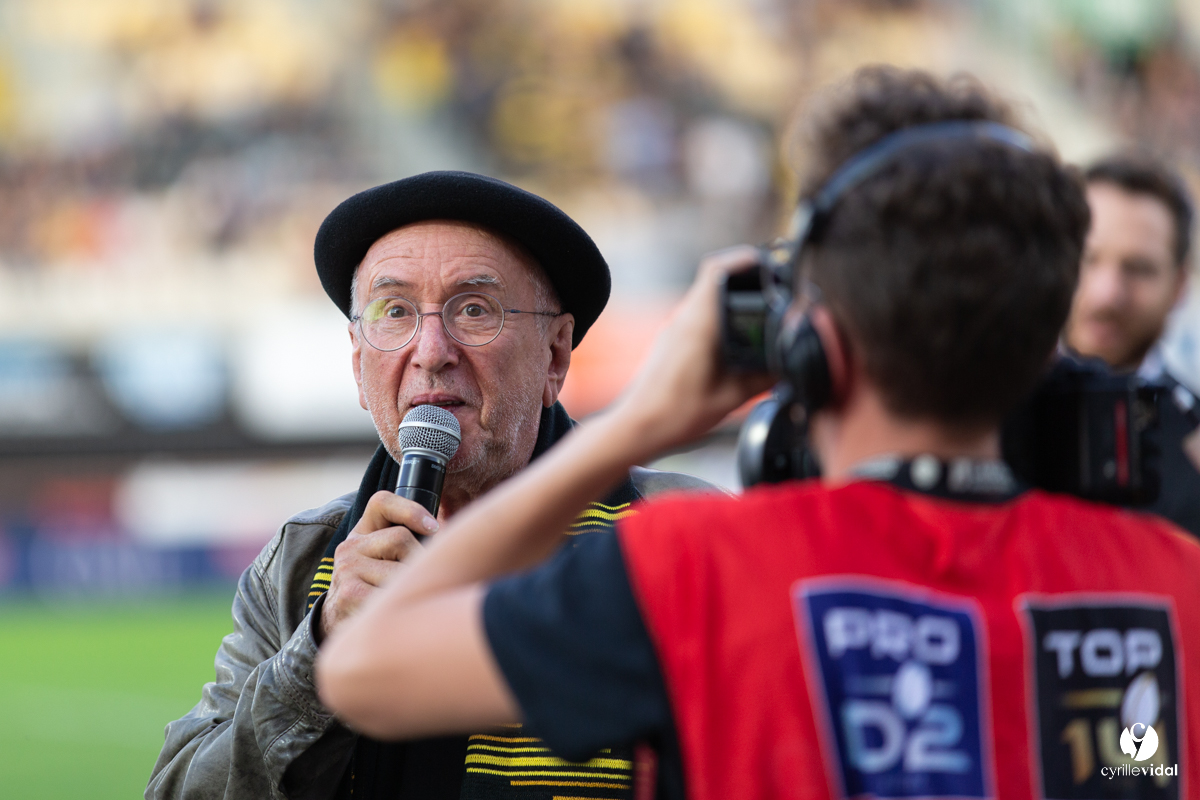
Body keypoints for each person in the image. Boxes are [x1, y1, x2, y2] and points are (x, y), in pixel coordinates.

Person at [316, 68, 1200, 800]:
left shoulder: (698, 570)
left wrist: (643, 422)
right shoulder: (1176, 582)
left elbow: (364, 666)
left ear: (810, 339)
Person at [146, 171, 718, 800]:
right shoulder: (302, 560)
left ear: (555, 354)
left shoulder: (684, 533)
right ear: (359, 365)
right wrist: (320, 648)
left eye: (474, 309)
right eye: (394, 312)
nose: (431, 349)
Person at [1063, 153, 1200, 535]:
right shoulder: (982, 405)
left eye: (1139, 269)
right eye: (1088, 258)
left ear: (1178, 288)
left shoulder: (1192, 446)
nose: (1107, 294)